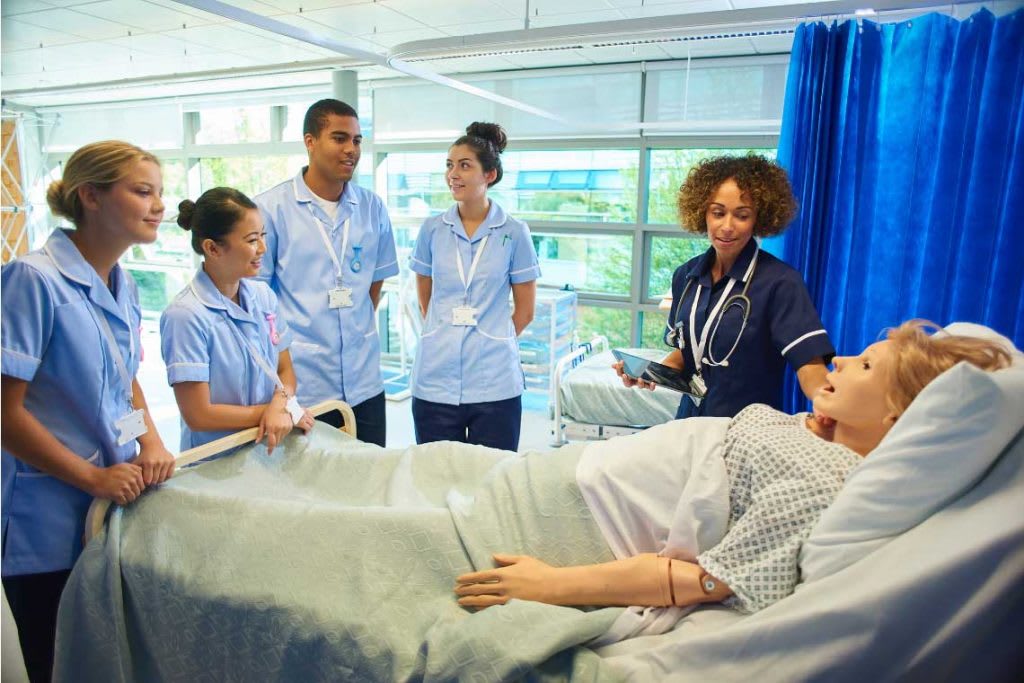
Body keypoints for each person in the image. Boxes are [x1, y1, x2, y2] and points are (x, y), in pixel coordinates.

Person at [457, 320, 1012, 614]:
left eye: (865, 365)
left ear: (897, 415)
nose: (841, 360)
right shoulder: (816, 435)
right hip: (576, 471)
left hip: (582, 511)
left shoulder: (824, 487)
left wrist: (547, 586)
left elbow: (699, 582)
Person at [0, 140, 176, 682]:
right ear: (90, 197)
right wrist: (92, 477)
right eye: (142, 192)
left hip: (110, 502)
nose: (158, 206)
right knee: (57, 661)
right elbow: (6, 414)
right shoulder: (33, 280)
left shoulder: (123, 284)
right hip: (46, 514)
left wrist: (150, 442)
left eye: (160, 194)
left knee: (104, 657)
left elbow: (123, 381)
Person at [616, 154, 833, 419]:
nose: (727, 226)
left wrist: (830, 404)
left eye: (742, 215)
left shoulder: (780, 283)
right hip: (690, 425)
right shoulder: (686, 276)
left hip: (747, 433)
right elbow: (686, 354)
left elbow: (810, 365)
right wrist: (651, 373)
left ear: (759, 219)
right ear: (702, 213)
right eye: (718, 213)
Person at [255, 99, 399, 447]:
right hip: (305, 387)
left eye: (357, 140)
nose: (351, 149)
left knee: (371, 481)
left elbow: (373, 284)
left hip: (365, 383)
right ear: (310, 142)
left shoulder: (371, 207)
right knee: (313, 493)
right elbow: (259, 300)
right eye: (339, 138)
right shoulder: (270, 209)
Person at [408, 122, 540, 451]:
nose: (453, 173)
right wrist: (442, 333)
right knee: (436, 479)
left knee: (492, 481)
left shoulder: (514, 232)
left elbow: (525, 311)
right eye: (449, 165)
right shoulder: (432, 230)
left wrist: (494, 340)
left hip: (495, 384)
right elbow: (426, 296)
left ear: (489, 175)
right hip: (435, 379)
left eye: (465, 165)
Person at [160, 188, 316, 453]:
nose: (263, 249)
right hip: (217, 459)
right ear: (212, 248)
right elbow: (199, 415)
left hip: (265, 447)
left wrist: (280, 406)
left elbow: (284, 371)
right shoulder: (186, 315)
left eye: (263, 236)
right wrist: (271, 413)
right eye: (252, 240)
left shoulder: (263, 296)